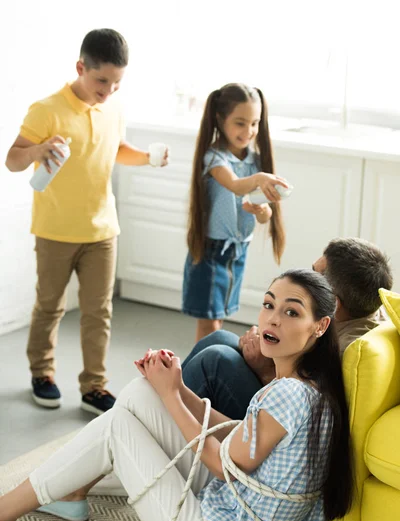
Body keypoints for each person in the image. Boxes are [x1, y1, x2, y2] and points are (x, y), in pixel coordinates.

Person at [0, 269, 353, 521]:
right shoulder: (309, 384)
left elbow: (221, 464)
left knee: (118, 426)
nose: (272, 320)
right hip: (228, 507)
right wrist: (179, 388)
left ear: (320, 326)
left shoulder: (287, 395)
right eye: (268, 305)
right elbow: (241, 435)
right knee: (141, 392)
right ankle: (69, 490)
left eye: (291, 312)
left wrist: (170, 396)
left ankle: (8, 510)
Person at [5, 29, 168, 414]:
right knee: (50, 307)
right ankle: (41, 374)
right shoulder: (46, 110)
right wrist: (39, 149)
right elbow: (13, 159)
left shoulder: (113, 107)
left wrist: (147, 157)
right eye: (101, 81)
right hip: (55, 231)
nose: (108, 91)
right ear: (81, 67)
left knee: (99, 312)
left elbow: (116, 150)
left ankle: (94, 385)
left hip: (102, 230)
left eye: (116, 83)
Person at [182, 237, 393, 420]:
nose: (307, 281)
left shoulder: (343, 351)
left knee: (215, 361)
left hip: (290, 426)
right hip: (290, 396)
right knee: (220, 338)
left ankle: (162, 414)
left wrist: (264, 371)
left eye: (315, 277)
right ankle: (159, 393)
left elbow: (300, 405)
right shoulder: (373, 310)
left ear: (334, 304)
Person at [182, 83, 287, 342]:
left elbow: (263, 216)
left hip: (238, 250)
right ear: (220, 119)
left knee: (219, 316)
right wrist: (260, 178)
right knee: (209, 322)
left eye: (254, 123)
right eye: (240, 123)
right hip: (212, 250)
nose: (249, 131)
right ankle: (203, 372)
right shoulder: (215, 158)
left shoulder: (254, 160)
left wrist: (262, 211)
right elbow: (235, 185)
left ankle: (206, 370)